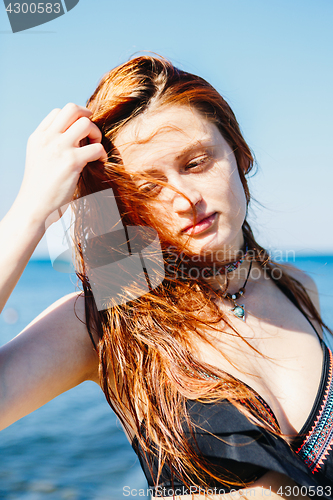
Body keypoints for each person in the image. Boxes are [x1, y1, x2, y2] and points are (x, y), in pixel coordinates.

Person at [1, 55, 332, 500]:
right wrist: (30, 211)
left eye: (195, 162)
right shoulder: (113, 324)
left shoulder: (295, 287)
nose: (184, 200)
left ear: (240, 152)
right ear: (127, 207)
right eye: (148, 188)